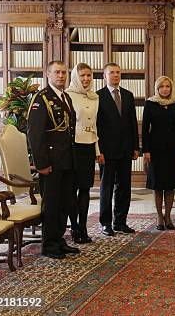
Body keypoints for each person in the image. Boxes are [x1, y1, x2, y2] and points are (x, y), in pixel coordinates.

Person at [26, 60, 78, 259]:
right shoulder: (42, 99)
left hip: (66, 161)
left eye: (64, 72)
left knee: (65, 203)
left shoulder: (65, 97)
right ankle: (48, 245)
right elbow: (35, 134)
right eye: (57, 72)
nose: (61, 76)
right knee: (52, 204)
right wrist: (41, 164)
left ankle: (59, 239)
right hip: (51, 163)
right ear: (48, 74)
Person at [96, 63, 139, 236]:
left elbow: (132, 123)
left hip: (126, 149)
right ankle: (105, 223)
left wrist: (136, 147)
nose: (115, 75)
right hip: (106, 151)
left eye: (118, 72)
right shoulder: (97, 96)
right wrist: (99, 151)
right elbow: (97, 126)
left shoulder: (128, 95)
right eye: (111, 73)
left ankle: (120, 221)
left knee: (124, 187)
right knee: (106, 187)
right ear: (104, 76)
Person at [142, 76, 175, 231]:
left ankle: (168, 216)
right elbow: (145, 129)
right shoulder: (150, 103)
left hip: (172, 150)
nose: (165, 89)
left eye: (168, 86)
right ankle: (159, 216)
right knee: (157, 185)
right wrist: (145, 151)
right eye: (162, 86)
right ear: (157, 88)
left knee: (170, 185)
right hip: (155, 150)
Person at [66, 63, 102, 244]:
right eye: (82, 76)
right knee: (72, 189)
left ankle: (84, 227)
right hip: (73, 147)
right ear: (75, 77)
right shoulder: (68, 95)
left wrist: (98, 151)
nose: (86, 79)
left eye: (89, 75)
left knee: (86, 188)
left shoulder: (95, 97)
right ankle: (74, 227)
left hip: (88, 145)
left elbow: (94, 126)